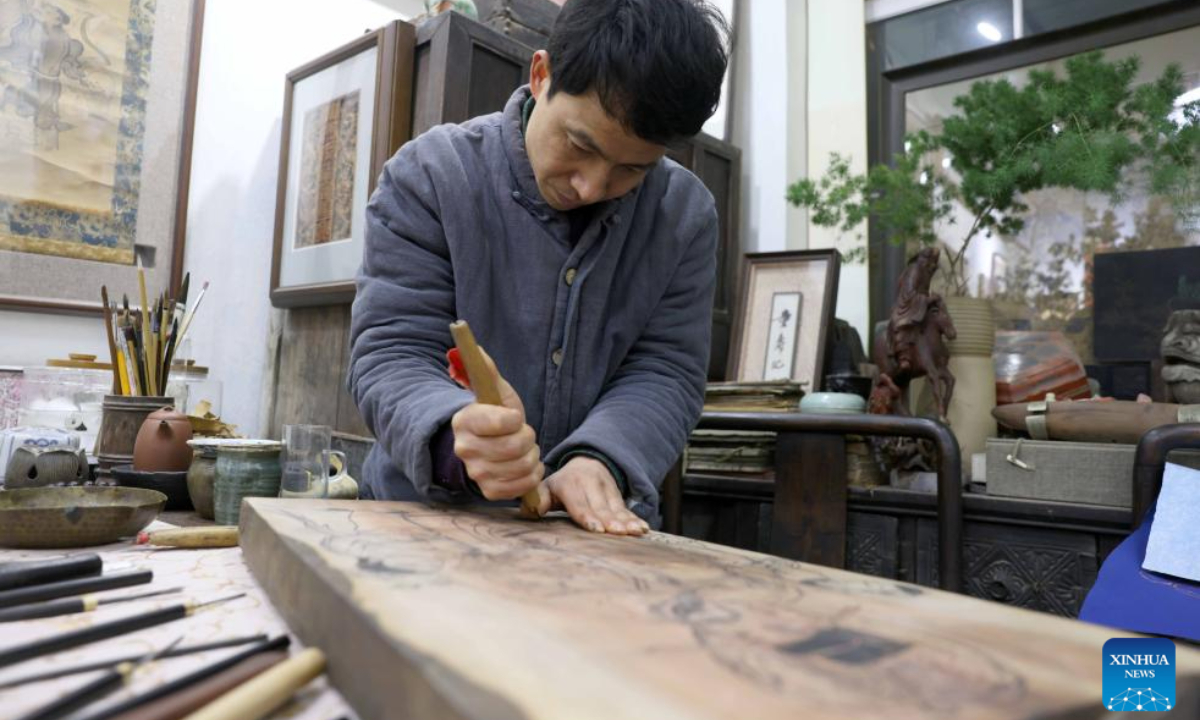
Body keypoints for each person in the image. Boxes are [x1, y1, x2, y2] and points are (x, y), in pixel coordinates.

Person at [349, 0, 728, 536]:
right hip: (428, 523)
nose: (591, 187)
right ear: (542, 73)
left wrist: (603, 459)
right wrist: (458, 437)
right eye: (579, 144)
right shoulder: (430, 175)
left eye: (631, 170)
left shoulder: (684, 216)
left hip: (596, 531)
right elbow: (392, 349)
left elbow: (666, 370)